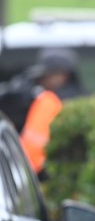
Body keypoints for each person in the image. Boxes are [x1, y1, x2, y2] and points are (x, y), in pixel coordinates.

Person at [0, 47, 82, 179]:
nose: (42, 81)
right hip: (28, 170)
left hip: (34, 171)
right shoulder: (33, 94)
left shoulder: (52, 100)